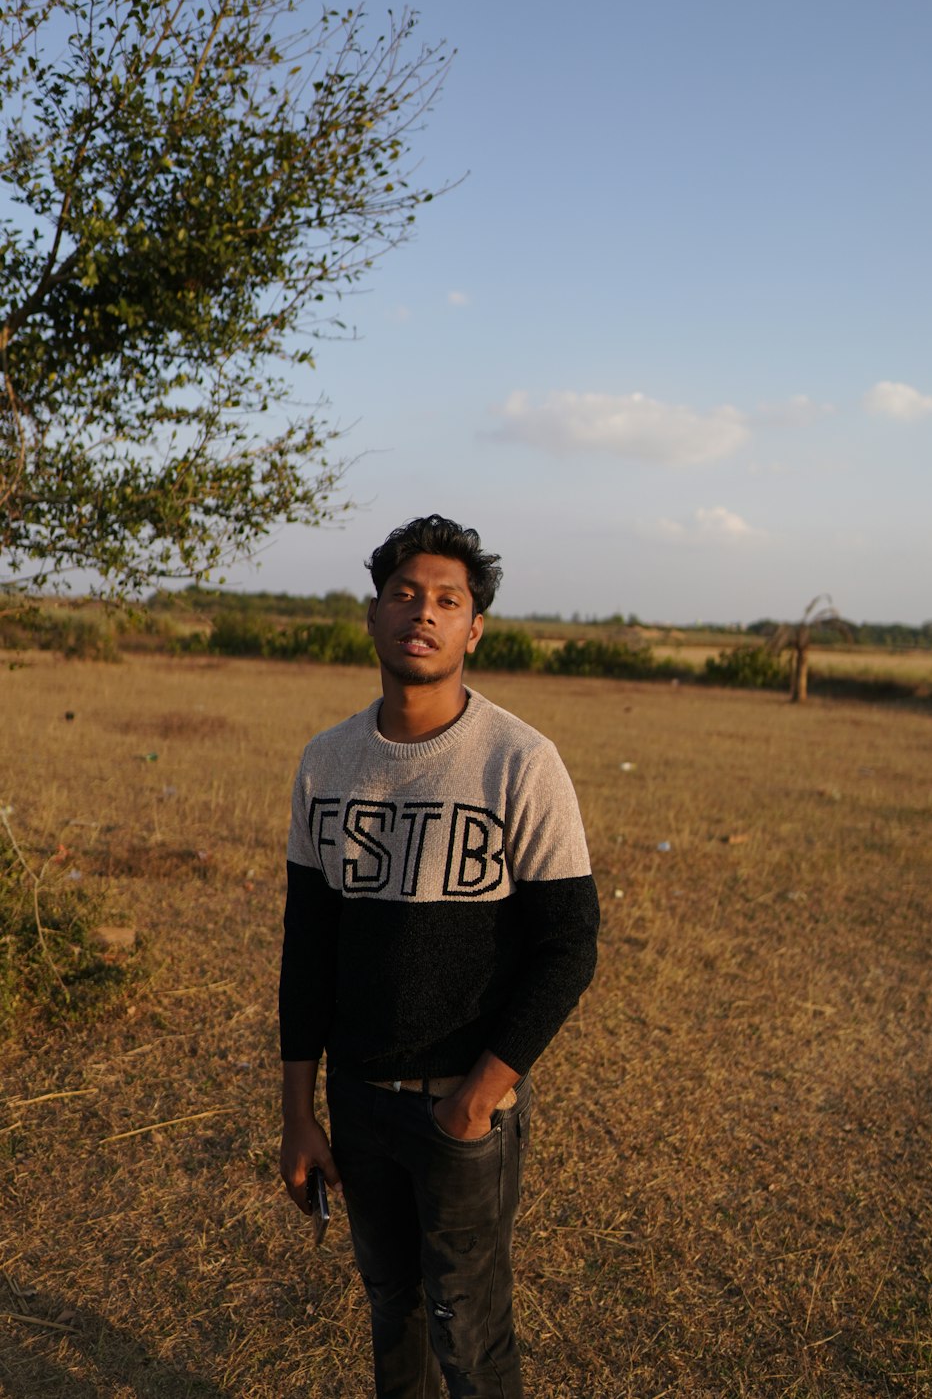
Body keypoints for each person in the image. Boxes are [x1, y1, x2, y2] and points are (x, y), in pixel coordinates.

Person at [279, 514, 600, 1399]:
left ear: (473, 629)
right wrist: (298, 1110)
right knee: (393, 1312)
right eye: (403, 593)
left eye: (446, 600)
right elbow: (307, 948)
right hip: (358, 1101)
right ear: (374, 614)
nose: (422, 612)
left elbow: (570, 945)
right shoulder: (325, 762)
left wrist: (478, 1097)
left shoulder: (520, 762)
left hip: (463, 1112)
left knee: (471, 1332)